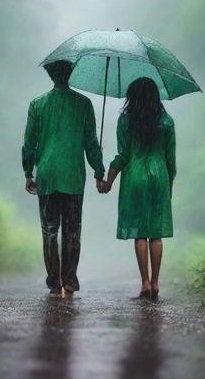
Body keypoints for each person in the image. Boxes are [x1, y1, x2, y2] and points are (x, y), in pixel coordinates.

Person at [23, 59, 106, 297]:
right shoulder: (84, 104)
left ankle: (53, 281)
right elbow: (91, 144)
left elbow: (29, 144)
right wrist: (99, 173)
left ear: (51, 76)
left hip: (47, 176)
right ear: (70, 75)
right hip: (72, 177)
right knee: (72, 231)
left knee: (49, 230)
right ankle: (68, 281)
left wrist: (29, 173)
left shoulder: (37, 105)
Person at [105, 77, 176, 300]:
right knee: (156, 234)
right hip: (159, 177)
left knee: (140, 232)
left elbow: (123, 155)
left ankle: (144, 282)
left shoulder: (126, 121)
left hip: (135, 178)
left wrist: (108, 180)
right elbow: (170, 159)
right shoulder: (166, 122)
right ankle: (156, 282)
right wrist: (169, 183)